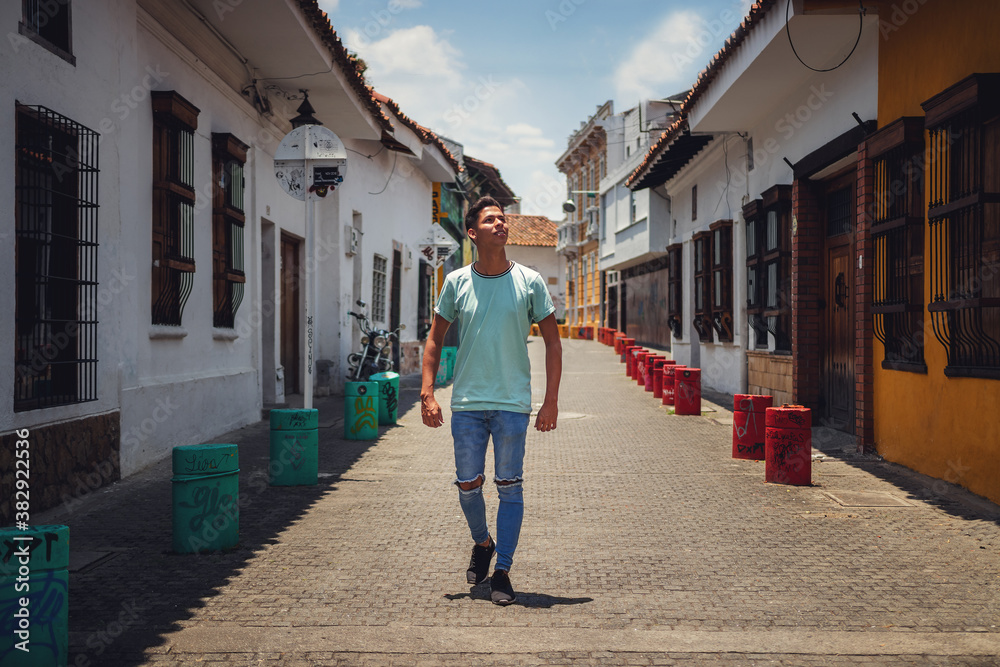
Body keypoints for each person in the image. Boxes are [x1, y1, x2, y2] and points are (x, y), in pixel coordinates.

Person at [421, 196, 562, 606]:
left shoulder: (530, 281)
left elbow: (553, 342)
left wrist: (550, 401)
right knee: (467, 486)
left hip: (512, 405)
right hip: (466, 404)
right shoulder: (456, 282)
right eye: (490, 220)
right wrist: (427, 393)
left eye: (503, 218)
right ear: (472, 232)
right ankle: (483, 543)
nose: (500, 224)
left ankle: (502, 571)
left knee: (510, 488)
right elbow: (435, 338)